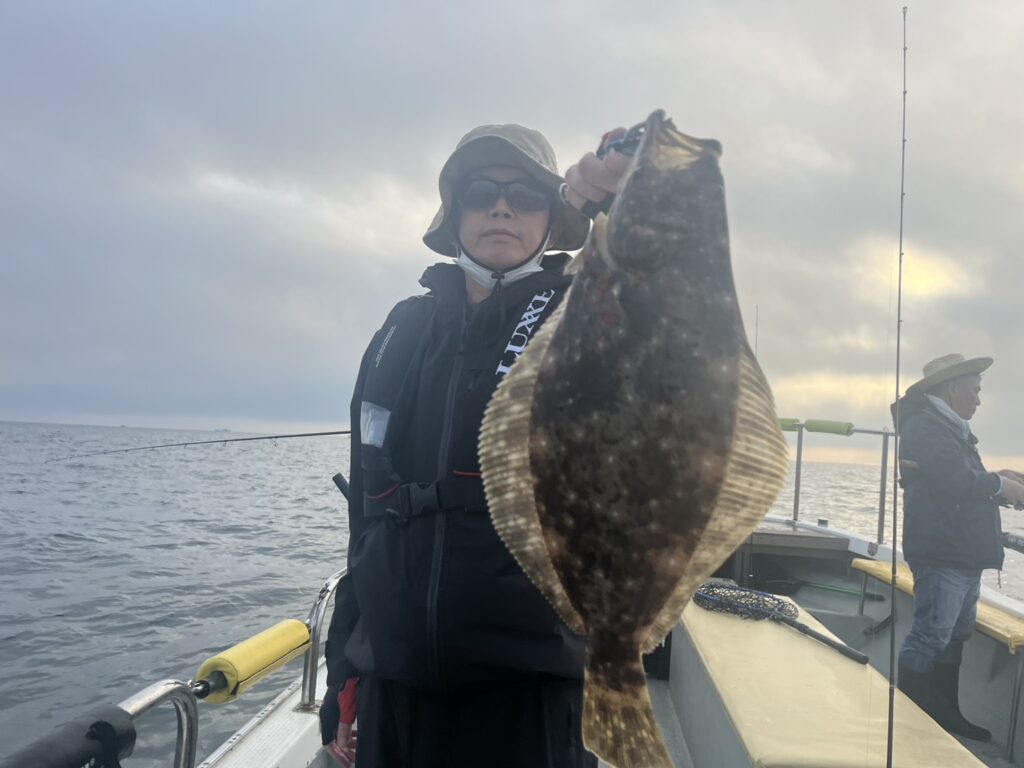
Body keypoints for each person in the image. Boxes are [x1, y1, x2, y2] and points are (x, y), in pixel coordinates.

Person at [319, 123, 630, 767]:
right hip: (394, 693)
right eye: (481, 192)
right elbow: (366, 521)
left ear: (553, 220)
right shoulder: (400, 332)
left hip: (533, 697)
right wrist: (343, 672)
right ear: (455, 214)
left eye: (526, 195)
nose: (502, 208)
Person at [894, 353, 1024, 741]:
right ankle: (909, 723)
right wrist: (1001, 485)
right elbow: (954, 480)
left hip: (961, 554)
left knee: (954, 635)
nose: (979, 400)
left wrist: (997, 478)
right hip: (943, 553)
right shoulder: (925, 426)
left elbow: (959, 479)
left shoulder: (947, 427)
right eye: (975, 390)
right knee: (930, 636)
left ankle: (945, 714)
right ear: (952, 389)